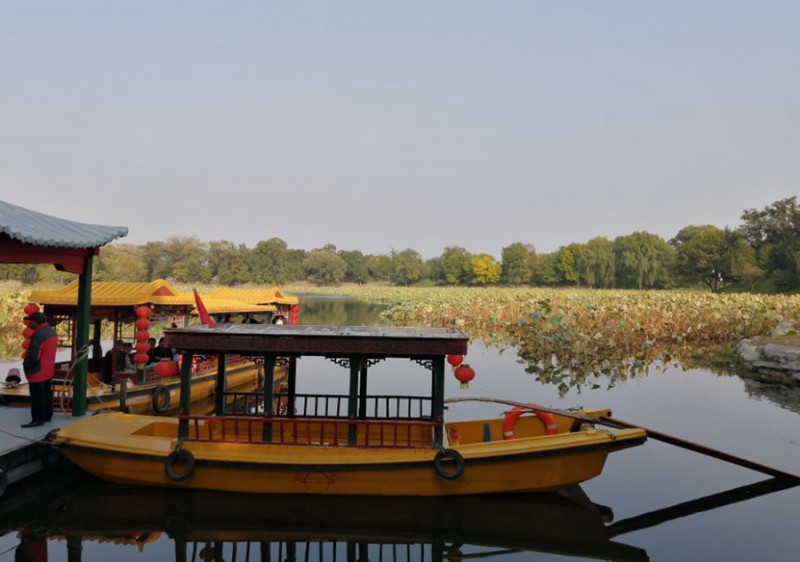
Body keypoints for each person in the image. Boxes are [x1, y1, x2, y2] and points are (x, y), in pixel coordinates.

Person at [21, 312, 57, 428]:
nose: (29, 323)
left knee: (37, 396)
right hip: (48, 368)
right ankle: (47, 415)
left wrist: (26, 365)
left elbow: (34, 355)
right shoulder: (51, 331)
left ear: (36, 322)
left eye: (31, 321)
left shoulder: (39, 335)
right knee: (46, 393)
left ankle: (37, 419)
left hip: (38, 370)